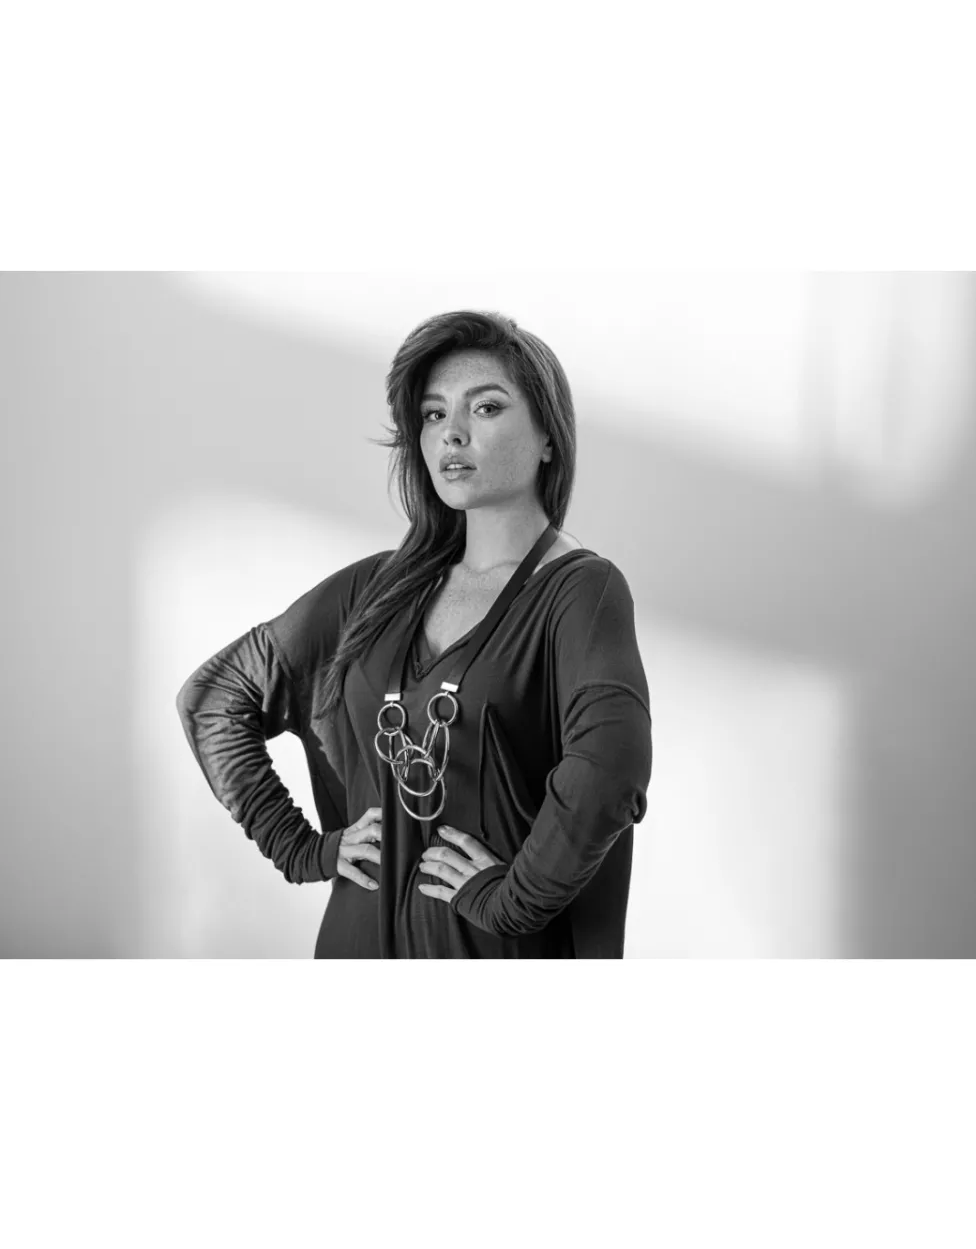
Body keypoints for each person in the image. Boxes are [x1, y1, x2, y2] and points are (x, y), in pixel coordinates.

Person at [176, 309, 652, 957]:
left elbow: (610, 769)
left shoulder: (580, 591)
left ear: (549, 436)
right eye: (433, 414)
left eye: (485, 408)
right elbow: (214, 699)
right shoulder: (373, 590)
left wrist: (512, 900)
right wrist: (302, 848)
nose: (452, 432)